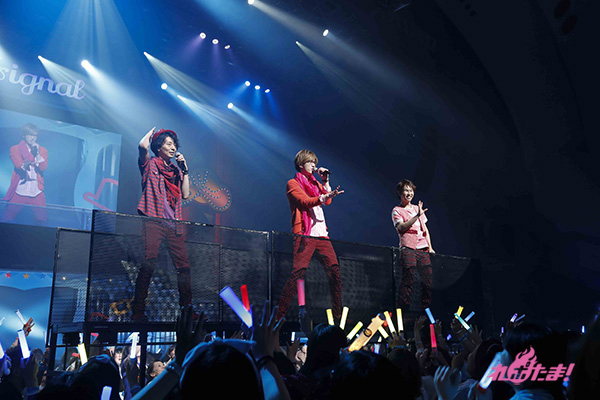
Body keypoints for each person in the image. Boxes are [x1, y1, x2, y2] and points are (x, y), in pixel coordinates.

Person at [132, 127, 192, 321]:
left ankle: (187, 311)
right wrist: (151, 134)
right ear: (159, 147)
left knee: (183, 267)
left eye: (174, 145)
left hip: (173, 224)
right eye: (169, 144)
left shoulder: (175, 171)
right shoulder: (150, 164)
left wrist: (185, 170)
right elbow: (142, 146)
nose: (173, 148)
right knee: (149, 262)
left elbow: (185, 194)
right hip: (153, 220)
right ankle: (138, 311)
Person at [277, 149, 344, 320]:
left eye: (315, 162)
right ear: (301, 164)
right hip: (304, 235)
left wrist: (325, 181)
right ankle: (278, 316)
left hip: (322, 235)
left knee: (335, 272)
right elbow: (305, 201)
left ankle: (337, 316)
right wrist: (324, 196)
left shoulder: (315, 183)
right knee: (297, 274)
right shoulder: (292, 183)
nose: (314, 165)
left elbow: (328, 201)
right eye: (310, 162)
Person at [392, 179, 434, 312]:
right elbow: (401, 227)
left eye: (411, 190)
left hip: (423, 249)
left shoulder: (417, 208)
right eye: (406, 190)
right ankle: (403, 312)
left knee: (428, 281)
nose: (409, 193)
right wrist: (416, 216)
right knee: (408, 279)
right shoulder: (397, 210)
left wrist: (430, 247)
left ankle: (425, 312)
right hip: (408, 249)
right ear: (400, 193)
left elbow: (425, 229)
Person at [2, 123, 48, 225]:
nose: (33, 138)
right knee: (7, 218)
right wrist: (30, 159)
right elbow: (19, 165)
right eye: (30, 135)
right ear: (24, 135)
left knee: (42, 220)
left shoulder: (42, 150)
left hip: (36, 191)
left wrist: (37, 154)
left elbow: (43, 167)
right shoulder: (15, 149)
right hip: (20, 190)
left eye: (35, 135)